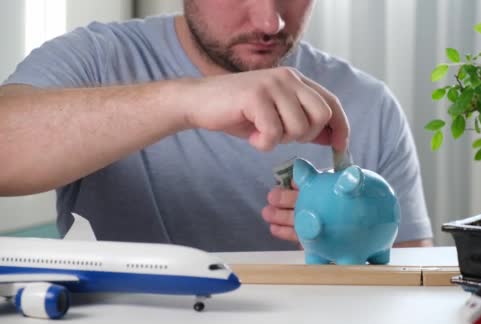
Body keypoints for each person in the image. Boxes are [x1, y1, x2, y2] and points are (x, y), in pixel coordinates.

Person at [0, 0, 432, 251]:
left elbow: (410, 279)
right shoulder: (95, 58)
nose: (270, 21)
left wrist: (351, 243)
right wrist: (187, 101)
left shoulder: (368, 103)